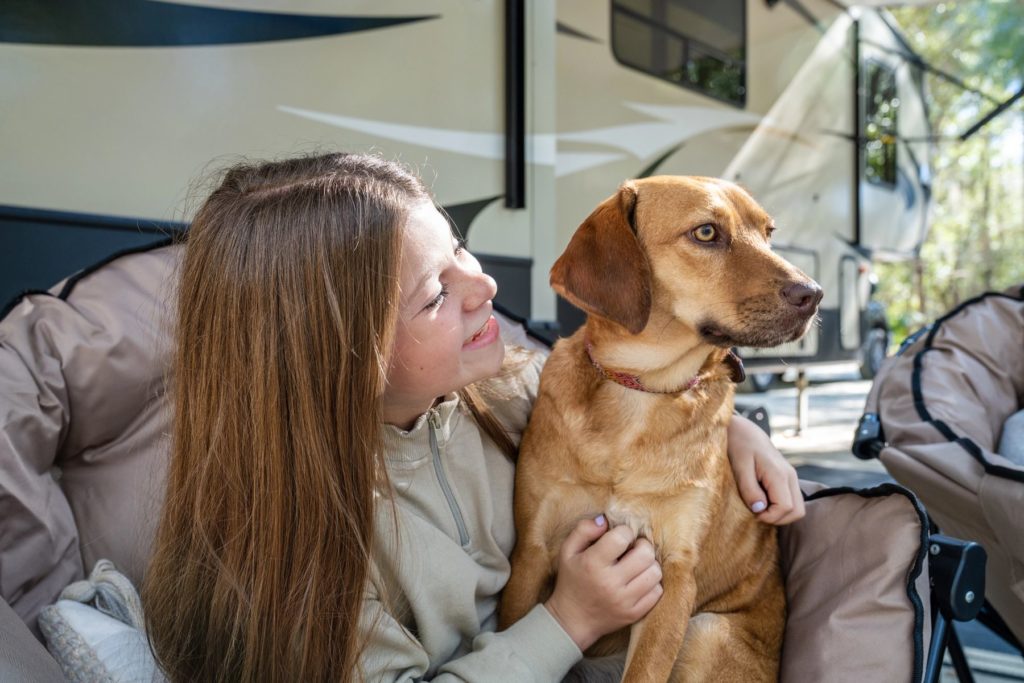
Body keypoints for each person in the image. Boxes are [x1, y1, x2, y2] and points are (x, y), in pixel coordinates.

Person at [142, 153, 805, 682]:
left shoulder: (508, 389)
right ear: (336, 355)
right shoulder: (300, 553)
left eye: (459, 248)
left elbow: (640, 389)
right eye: (436, 292)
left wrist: (732, 432)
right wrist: (568, 619)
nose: (484, 284)